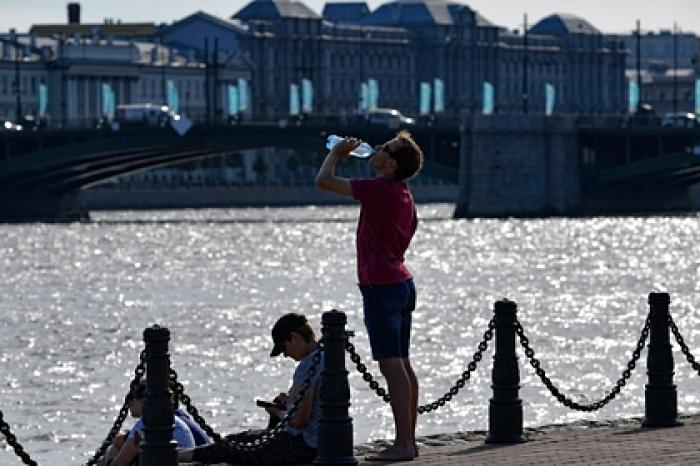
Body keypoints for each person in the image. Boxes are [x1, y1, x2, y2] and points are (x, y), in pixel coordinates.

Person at [315, 131, 423, 461]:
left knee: (392, 367)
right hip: (402, 283)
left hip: (381, 286)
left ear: (390, 164)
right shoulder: (404, 195)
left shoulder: (379, 190)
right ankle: (410, 440)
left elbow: (324, 181)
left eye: (384, 148)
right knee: (403, 364)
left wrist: (337, 153)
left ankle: (403, 445)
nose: (376, 149)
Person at [178, 313, 323, 465]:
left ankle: (181, 457)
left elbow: (299, 421)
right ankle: (186, 454)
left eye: (284, 348)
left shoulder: (308, 366)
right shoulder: (325, 357)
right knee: (243, 438)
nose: (285, 355)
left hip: (302, 446)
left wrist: (278, 412)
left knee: (234, 445)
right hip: (318, 443)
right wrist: (289, 403)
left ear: (294, 338)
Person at [99, 378, 196, 466]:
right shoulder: (174, 421)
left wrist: (108, 460)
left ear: (142, 402)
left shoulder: (146, 422)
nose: (128, 403)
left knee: (112, 451)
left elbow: (119, 463)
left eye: (130, 398)